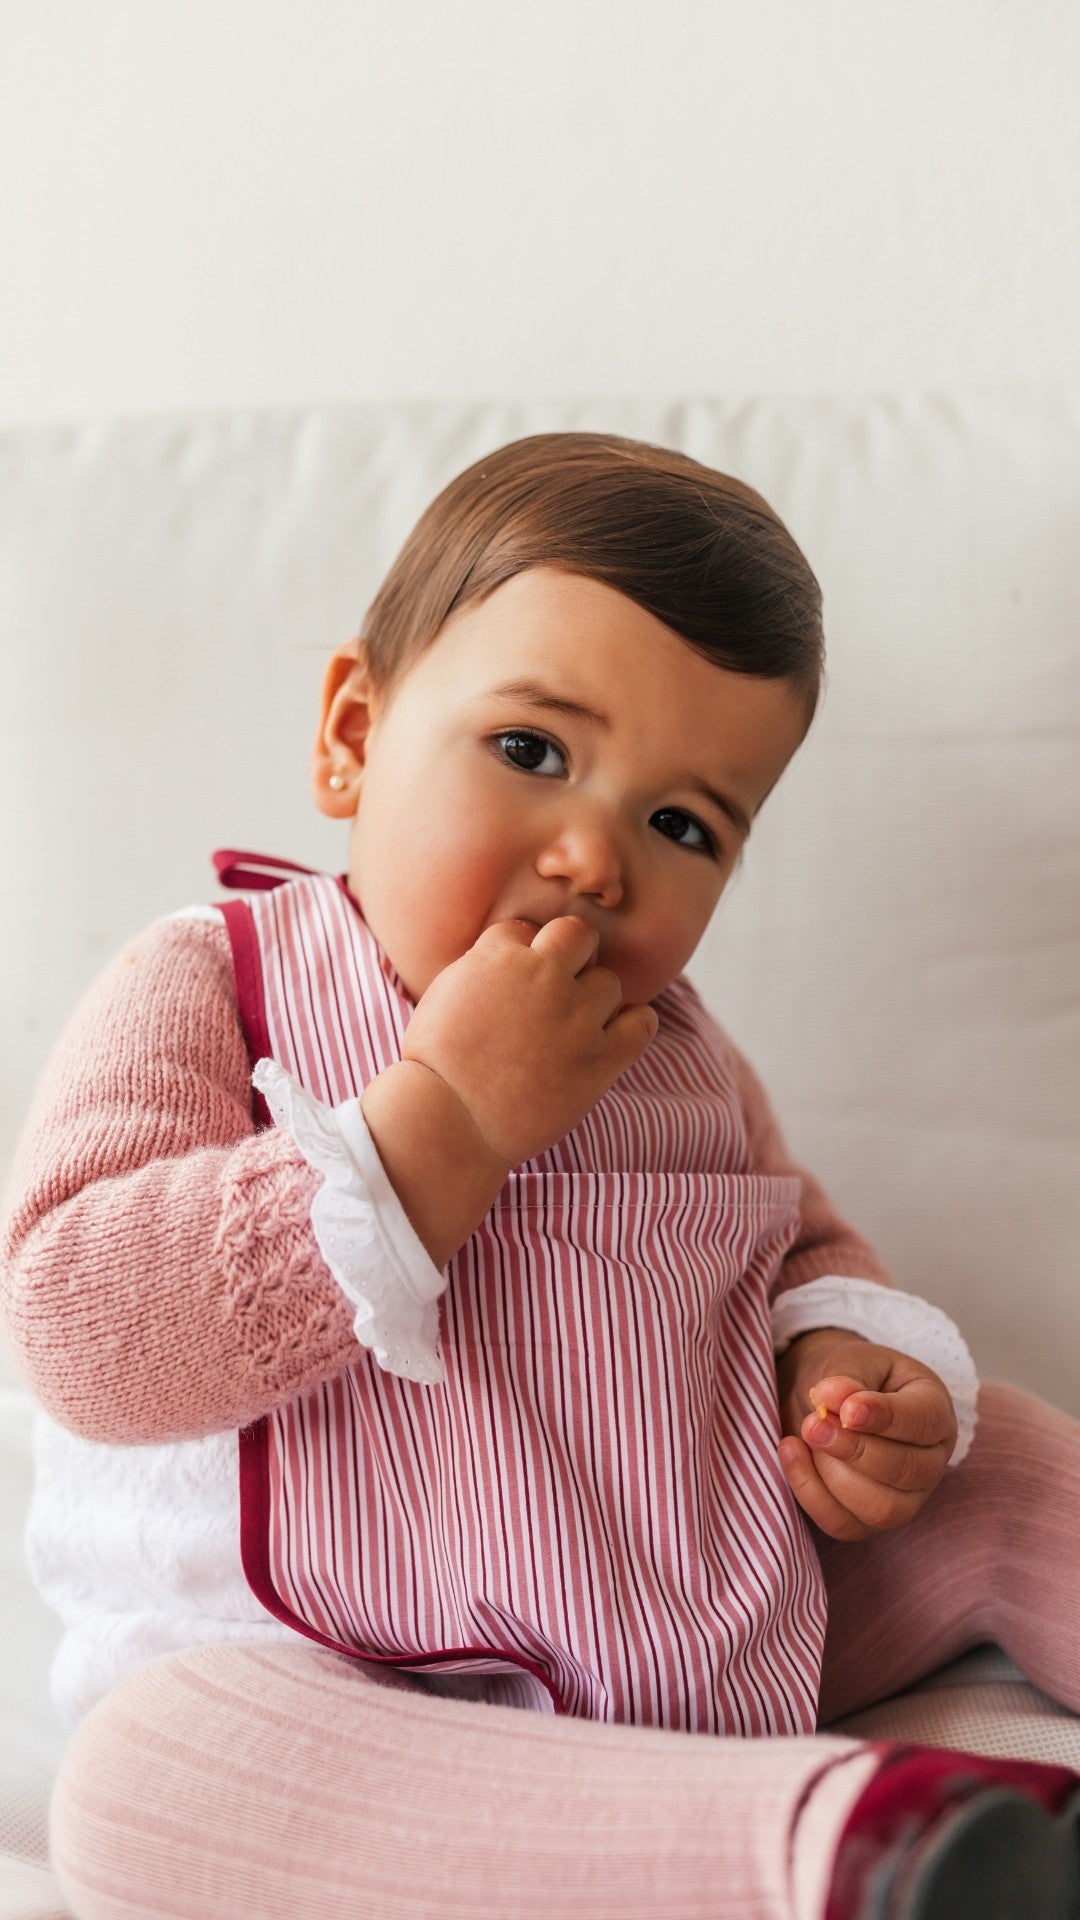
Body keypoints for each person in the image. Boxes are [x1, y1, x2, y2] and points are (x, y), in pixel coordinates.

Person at [2, 432, 1078, 1920]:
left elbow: (796, 1244)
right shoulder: (217, 982)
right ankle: (850, 1848)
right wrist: (434, 1125)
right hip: (348, 1694)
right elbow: (77, 1327)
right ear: (353, 735)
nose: (593, 859)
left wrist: (844, 1368)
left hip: (684, 1632)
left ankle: (778, 1797)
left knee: (998, 1457)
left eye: (682, 824)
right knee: (142, 1783)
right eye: (532, 752)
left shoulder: (679, 1055)